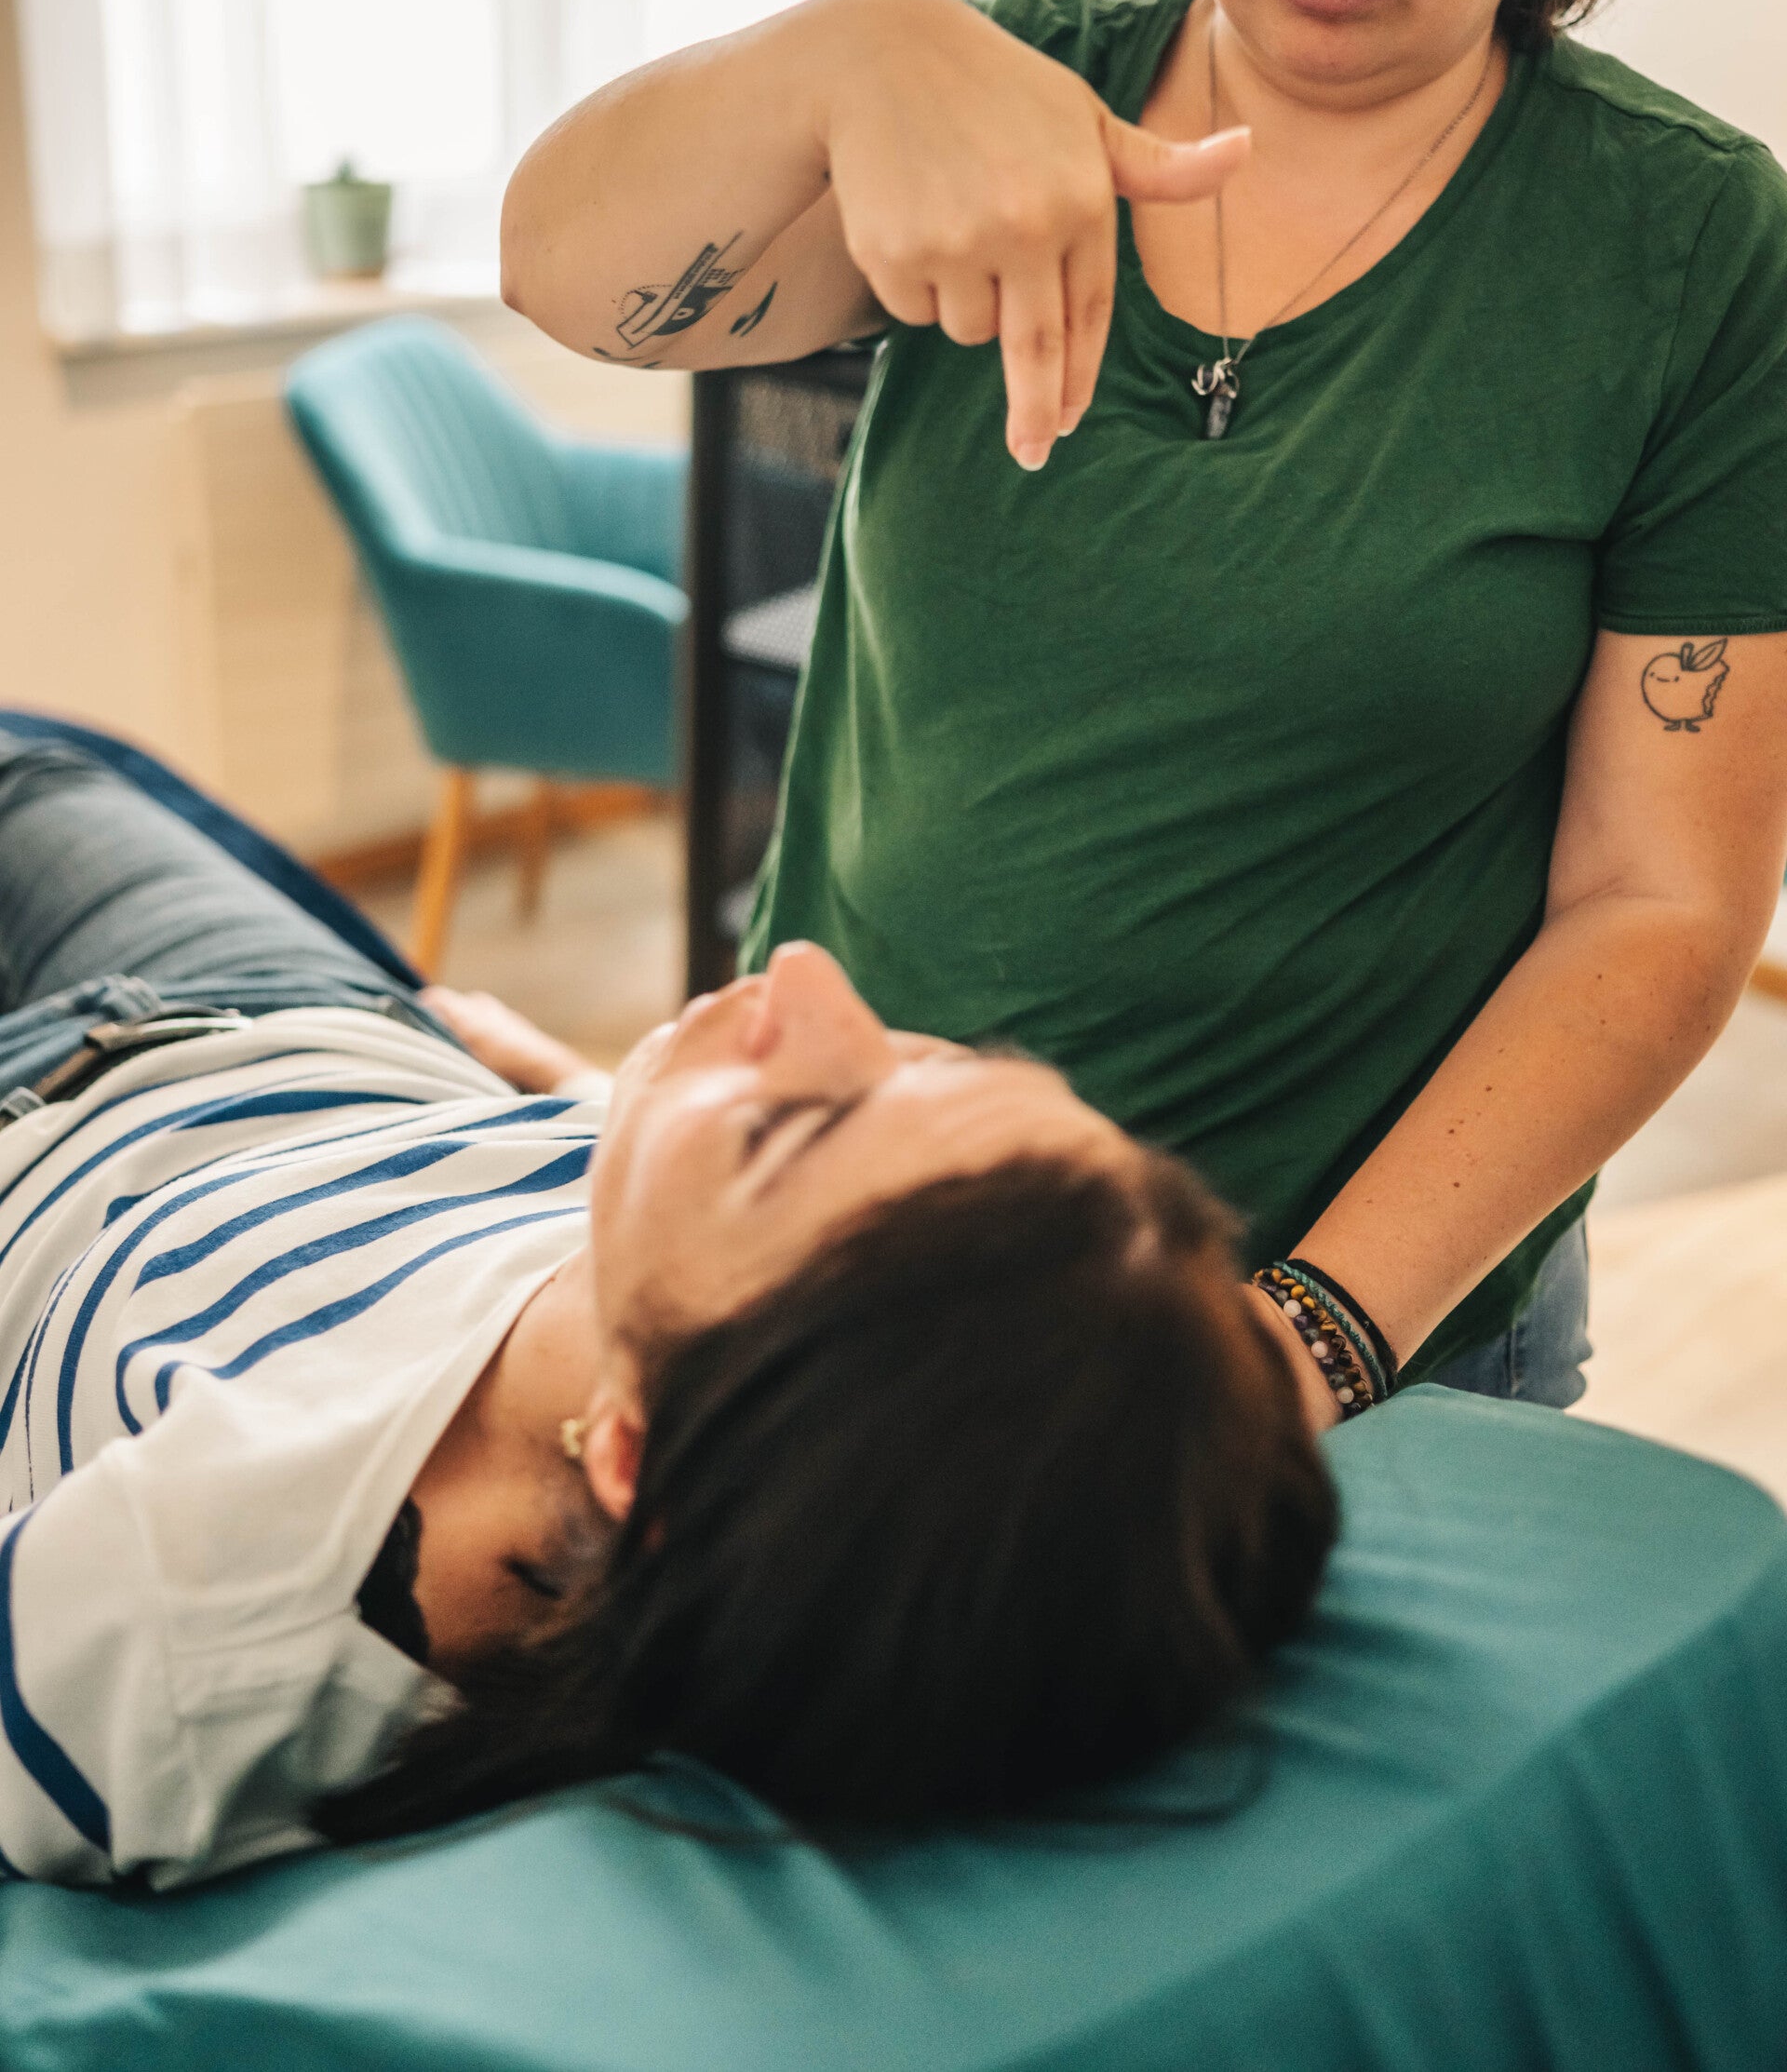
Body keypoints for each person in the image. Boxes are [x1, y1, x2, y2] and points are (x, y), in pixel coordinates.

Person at [500, 0, 1787, 1424]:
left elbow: (1662, 905)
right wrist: (847, 47)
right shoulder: (999, 112)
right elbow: (561, 267)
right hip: (854, 1264)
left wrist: (1306, 1337)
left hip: (1372, 1332)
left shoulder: (1686, 249)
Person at [0, 732, 1333, 1888]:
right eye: (938, 1062)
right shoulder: (747, 1354)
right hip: (326, 1038)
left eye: (783, 1132)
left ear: (632, 1454)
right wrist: (573, 1093)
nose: (805, 977)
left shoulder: (207, 1614)